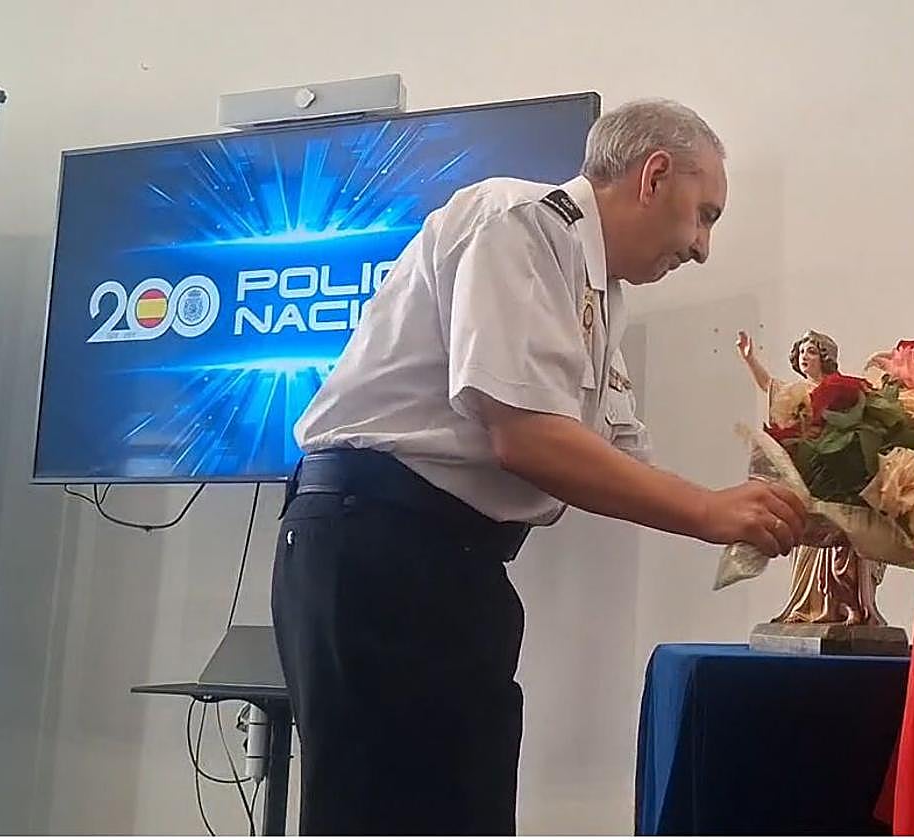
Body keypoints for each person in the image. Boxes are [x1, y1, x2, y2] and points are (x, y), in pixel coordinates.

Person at [271, 99, 807, 836]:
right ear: (654, 175)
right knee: (385, 814)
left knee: (466, 813)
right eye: (705, 214)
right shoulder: (517, 221)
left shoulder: (598, 291)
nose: (704, 247)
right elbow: (525, 437)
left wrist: (804, 504)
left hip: (454, 565)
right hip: (378, 548)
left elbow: (617, 460)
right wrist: (712, 511)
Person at [734, 328, 886, 625]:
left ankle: (847, 607)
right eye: (802, 352)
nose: (805, 357)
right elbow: (770, 387)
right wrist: (750, 359)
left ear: (825, 356)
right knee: (808, 547)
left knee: (844, 545)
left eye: (812, 351)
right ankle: (810, 606)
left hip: (839, 479)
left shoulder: (841, 389)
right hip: (809, 479)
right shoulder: (796, 393)